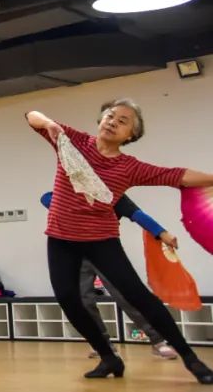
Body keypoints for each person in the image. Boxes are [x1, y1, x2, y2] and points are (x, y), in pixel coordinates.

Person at [26, 99, 213, 383]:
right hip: (61, 238)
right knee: (68, 298)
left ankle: (191, 359)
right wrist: (49, 123)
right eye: (110, 116)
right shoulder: (73, 141)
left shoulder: (130, 167)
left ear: (131, 135)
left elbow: (176, 176)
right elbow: (31, 115)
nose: (113, 121)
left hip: (101, 240)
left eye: (123, 121)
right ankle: (108, 357)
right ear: (101, 120)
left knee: (138, 296)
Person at [39, 191, 179, 360]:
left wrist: (162, 233)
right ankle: (103, 345)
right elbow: (45, 198)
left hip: (105, 252)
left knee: (126, 296)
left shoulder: (114, 195)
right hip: (77, 255)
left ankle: (158, 341)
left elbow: (138, 215)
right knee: (83, 300)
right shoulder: (72, 193)